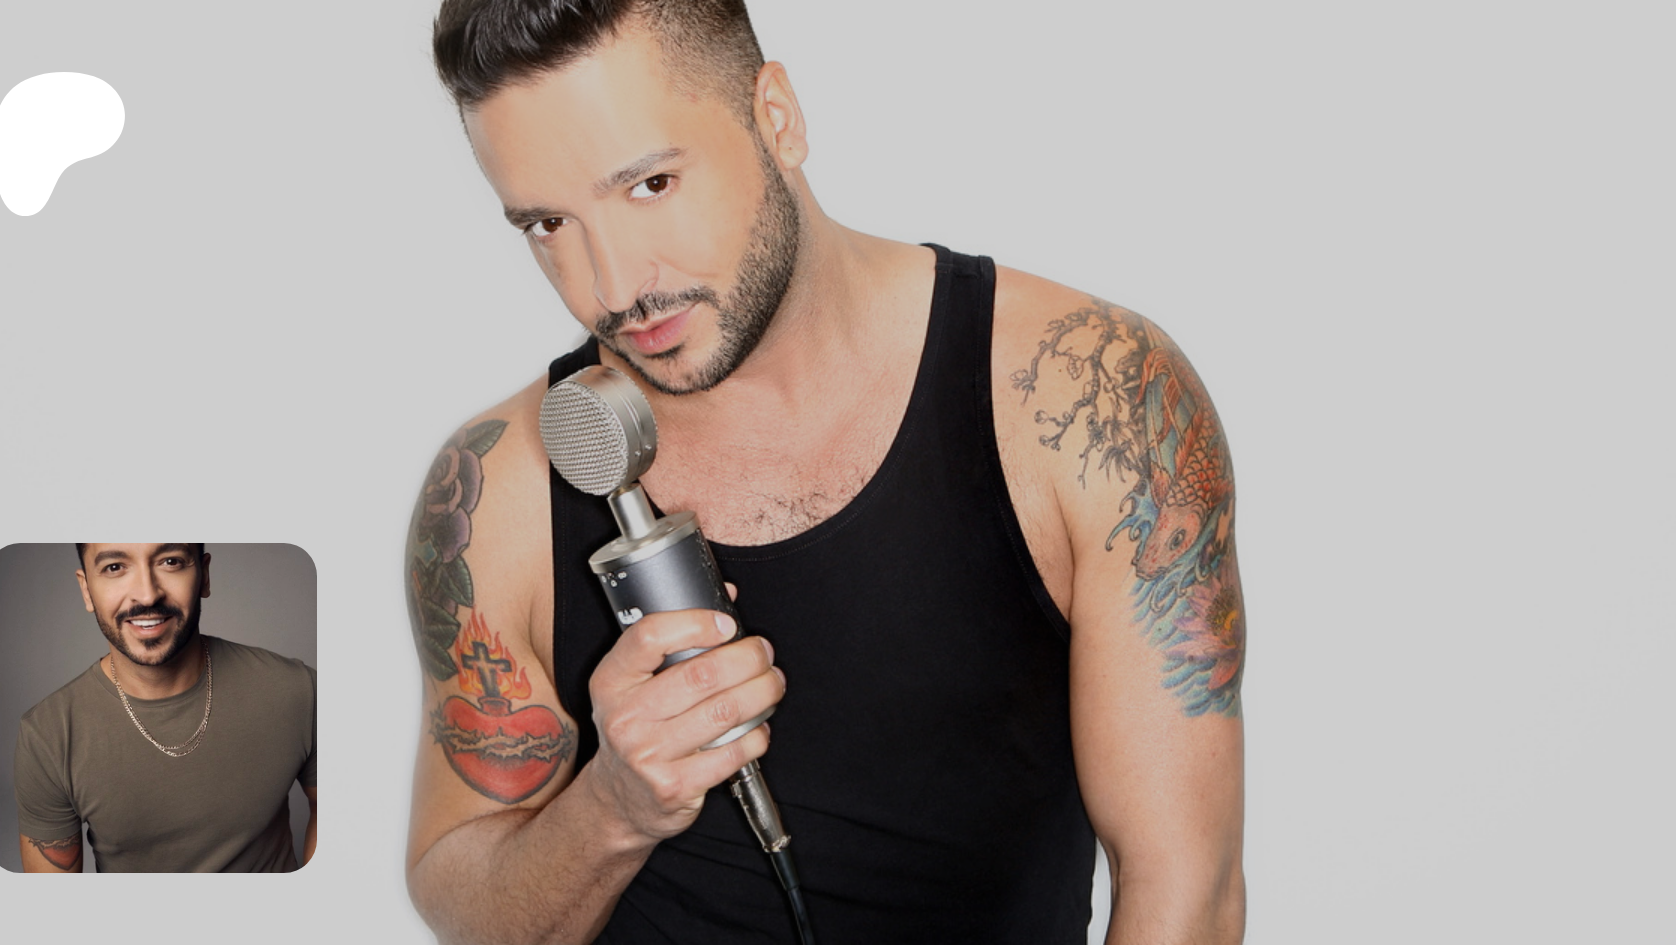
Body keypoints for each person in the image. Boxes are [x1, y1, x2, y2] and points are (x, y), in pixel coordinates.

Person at [405, 2, 1244, 941]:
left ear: (778, 117)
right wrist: (613, 809)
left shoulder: (1088, 398)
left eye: (650, 184)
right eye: (549, 222)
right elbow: (465, 898)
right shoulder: (496, 490)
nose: (613, 286)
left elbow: (1187, 888)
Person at [14, 543, 317, 872]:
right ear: (87, 590)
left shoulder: (297, 689)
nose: (147, 595)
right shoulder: (49, 736)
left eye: (171, 561)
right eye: (115, 567)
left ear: (204, 576)